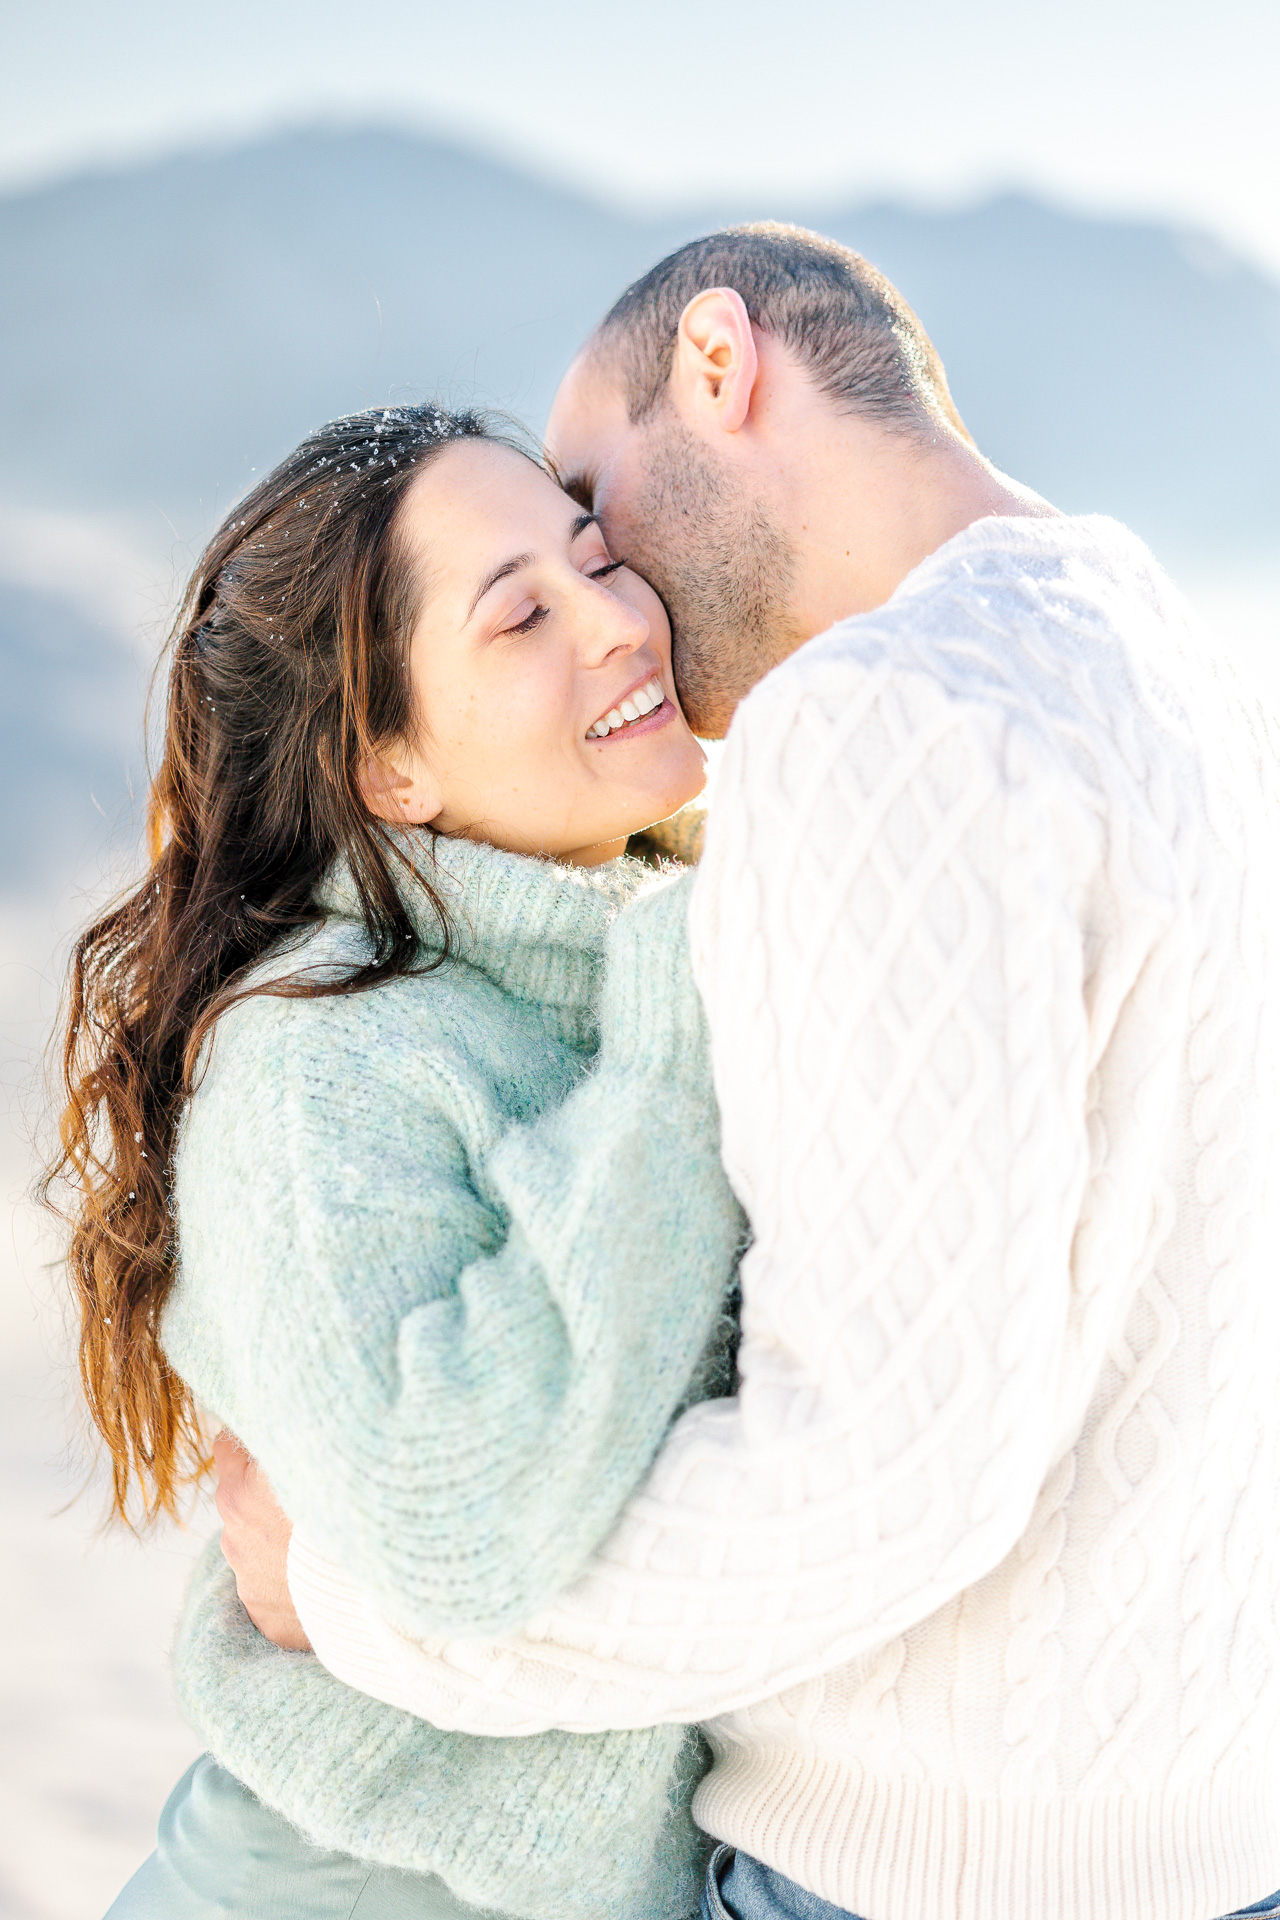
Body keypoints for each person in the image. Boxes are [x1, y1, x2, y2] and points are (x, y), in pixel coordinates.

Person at [226, 225, 1280, 1920]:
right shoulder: (1181, 665)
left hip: (917, 1875)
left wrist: (358, 1616)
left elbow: (881, 1470)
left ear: (718, 363)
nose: (618, 589)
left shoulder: (874, 719)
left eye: (591, 496)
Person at [44, 401, 748, 1920]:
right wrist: (685, 1025)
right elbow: (458, 1518)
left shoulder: (647, 951)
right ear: (387, 771)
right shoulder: (318, 1061)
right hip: (351, 1887)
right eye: (522, 617)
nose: (620, 625)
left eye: (600, 560)